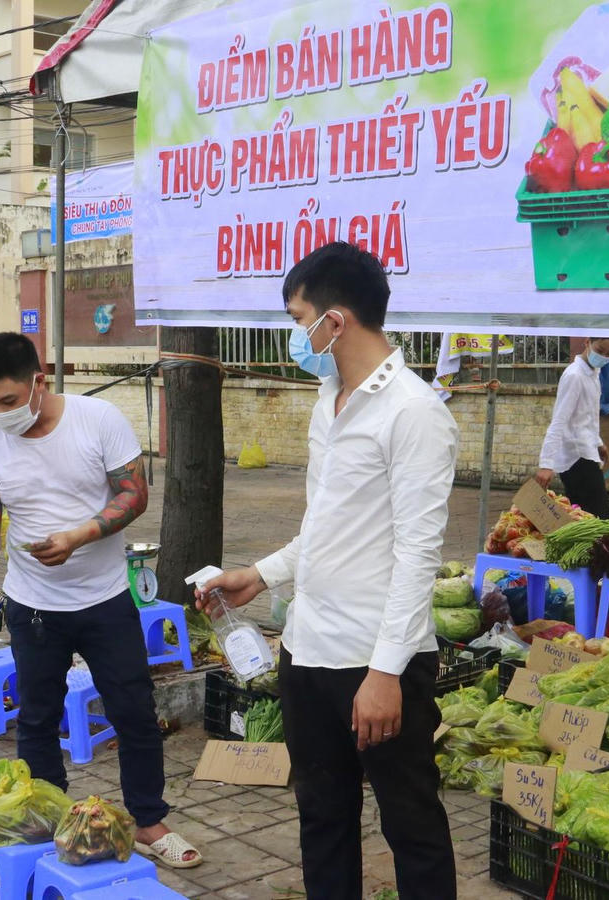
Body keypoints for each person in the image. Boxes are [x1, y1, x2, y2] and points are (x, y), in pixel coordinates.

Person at [198, 242, 459, 899]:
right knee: (323, 819)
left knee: (411, 825)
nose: (296, 336)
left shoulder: (414, 412)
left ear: (334, 321)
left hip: (376, 661)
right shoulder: (329, 399)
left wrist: (385, 674)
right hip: (308, 651)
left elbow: (418, 554)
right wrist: (260, 574)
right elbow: (326, 526)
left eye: (298, 319)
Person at [0, 332, 202, 870]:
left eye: (8, 400)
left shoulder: (98, 420)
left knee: (134, 711)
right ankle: (52, 821)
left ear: (38, 382)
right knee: (37, 717)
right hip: (32, 605)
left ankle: (149, 821)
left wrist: (78, 536)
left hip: (105, 599)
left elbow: (134, 494)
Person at [536, 337, 609, 518]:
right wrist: (546, 464)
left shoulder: (593, 374)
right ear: (587, 343)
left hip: (587, 452)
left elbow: (587, 417)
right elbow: (559, 420)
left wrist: (598, 442)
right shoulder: (574, 376)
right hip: (576, 457)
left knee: (586, 518)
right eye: (600, 350)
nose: (604, 357)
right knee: (599, 518)